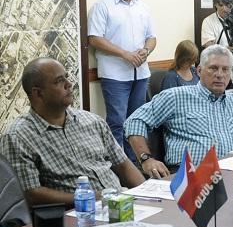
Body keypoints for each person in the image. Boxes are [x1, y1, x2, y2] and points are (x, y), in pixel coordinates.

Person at [124, 45, 233, 178]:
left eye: (225, 69)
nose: (220, 75)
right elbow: (135, 121)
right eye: (213, 68)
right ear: (199, 71)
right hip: (191, 178)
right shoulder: (176, 97)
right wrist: (146, 159)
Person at [0, 58, 145, 206]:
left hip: (120, 203)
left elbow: (124, 166)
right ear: (38, 93)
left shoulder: (92, 121)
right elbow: (30, 193)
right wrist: (93, 198)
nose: (69, 85)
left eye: (67, 78)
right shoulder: (18, 137)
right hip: (75, 215)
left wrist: (145, 195)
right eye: (59, 81)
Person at [88, 0, 156, 162]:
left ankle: (135, 165)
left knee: (136, 122)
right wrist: (124, 54)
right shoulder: (103, 6)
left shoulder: (143, 7)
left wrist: (147, 50)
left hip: (140, 74)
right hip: (115, 75)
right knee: (117, 123)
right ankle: (119, 168)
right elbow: (94, 38)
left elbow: (152, 37)